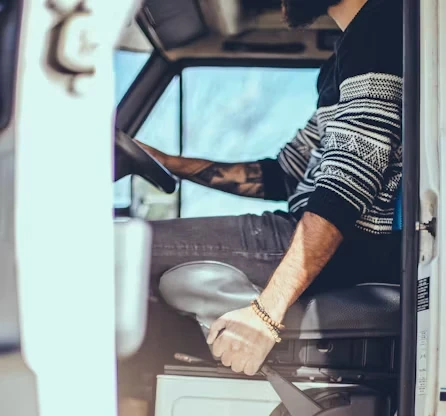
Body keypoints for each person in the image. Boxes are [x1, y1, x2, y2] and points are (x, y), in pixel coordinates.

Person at [135, 0, 403, 381]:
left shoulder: (378, 28)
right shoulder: (345, 54)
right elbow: (284, 175)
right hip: (296, 226)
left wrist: (266, 314)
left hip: (338, 244)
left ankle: (125, 414)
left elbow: (347, 182)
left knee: (120, 249)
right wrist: (165, 162)